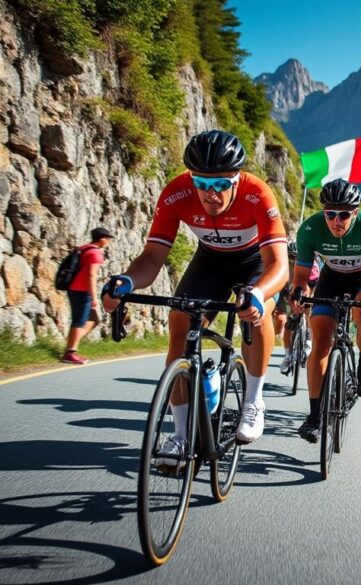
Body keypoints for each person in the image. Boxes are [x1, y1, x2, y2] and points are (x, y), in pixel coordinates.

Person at [102, 130, 288, 463]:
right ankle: (180, 436)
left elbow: (279, 266)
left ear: (236, 179)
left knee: (256, 316)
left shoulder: (257, 194)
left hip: (254, 262)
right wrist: (126, 281)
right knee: (179, 323)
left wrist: (258, 294)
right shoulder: (176, 193)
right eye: (201, 183)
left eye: (221, 185)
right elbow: (152, 258)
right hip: (211, 261)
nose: (210, 194)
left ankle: (253, 401)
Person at [290, 178, 361, 443]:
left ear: (355, 213)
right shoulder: (310, 229)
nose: (336, 221)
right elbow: (301, 276)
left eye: (344, 215)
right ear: (324, 212)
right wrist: (299, 292)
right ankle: (315, 417)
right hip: (331, 279)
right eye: (330, 214)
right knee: (320, 343)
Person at [61, 227, 114, 365]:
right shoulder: (96, 253)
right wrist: (94, 297)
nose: (108, 241)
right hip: (82, 291)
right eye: (107, 238)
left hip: (74, 289)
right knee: (79, 321)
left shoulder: (84, 248)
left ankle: (72, 344)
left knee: (93, 319)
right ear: (101, 238)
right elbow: (91, 275)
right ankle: (70, 352)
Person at [277, 241, 319, 374]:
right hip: (288, 290)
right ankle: (287, 355)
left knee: (310, 314)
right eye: (291, 257)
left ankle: (308, 342)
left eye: (296, 257)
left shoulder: (313, 265)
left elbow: (314, 285)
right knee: (289, 323)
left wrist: (310, 301)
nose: (294, 260)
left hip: (309, 289)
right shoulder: (284, 266)